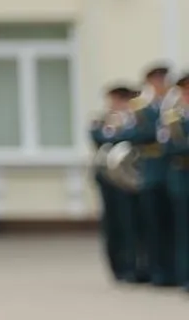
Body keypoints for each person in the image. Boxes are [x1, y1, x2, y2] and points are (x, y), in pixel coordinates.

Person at [91, 83, 143, 282]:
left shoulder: (135, 120)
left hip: (128, 181)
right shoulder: (101, 120)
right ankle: (117, 267)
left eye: (118, 100)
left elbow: (139, 137)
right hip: (107, 180)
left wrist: (121, 131)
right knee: (112, 226)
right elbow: (96, 137)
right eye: (112, 100)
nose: (114, 104)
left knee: (130, 224)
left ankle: (133, 267)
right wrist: (114, 130)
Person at [134, 63, 178, 285]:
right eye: (157, 80)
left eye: (164, 80)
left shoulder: (173, 106)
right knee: (153, 225)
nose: (161, 84)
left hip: (171, 172)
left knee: (173, 226)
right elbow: (141, 134)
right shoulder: (141, 107)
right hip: (151, 172)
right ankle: (156, 271)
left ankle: (174, 271)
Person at [163, 73, 189, 293]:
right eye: (186, 91)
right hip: (183, 178)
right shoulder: (172, 118)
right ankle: (185, 277)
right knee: (184, 231)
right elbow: (169, 147)